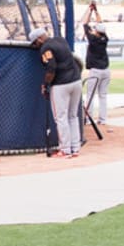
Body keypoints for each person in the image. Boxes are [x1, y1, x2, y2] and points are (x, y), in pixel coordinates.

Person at [29, 27, 83, 158]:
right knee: (73, 116)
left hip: (61, 84)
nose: (35, 46)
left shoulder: (45, 48)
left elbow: (51, 68)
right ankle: (75, 148)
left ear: (40, 39)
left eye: (35, 43)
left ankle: (65, 149)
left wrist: (46, 85)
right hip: (76, 81)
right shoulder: (60, 40)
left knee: (61, 118)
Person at [82, 2, 111, 124]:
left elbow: (84, 23)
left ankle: (88, 119)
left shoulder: (93, 39)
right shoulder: (105, 38)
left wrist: (90, 10)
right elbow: (100, 23)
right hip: (106, 70)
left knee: (90, 95)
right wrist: (96, 11)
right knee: (103, 96)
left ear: (97, 32)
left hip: (95, 71)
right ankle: (103, 119)